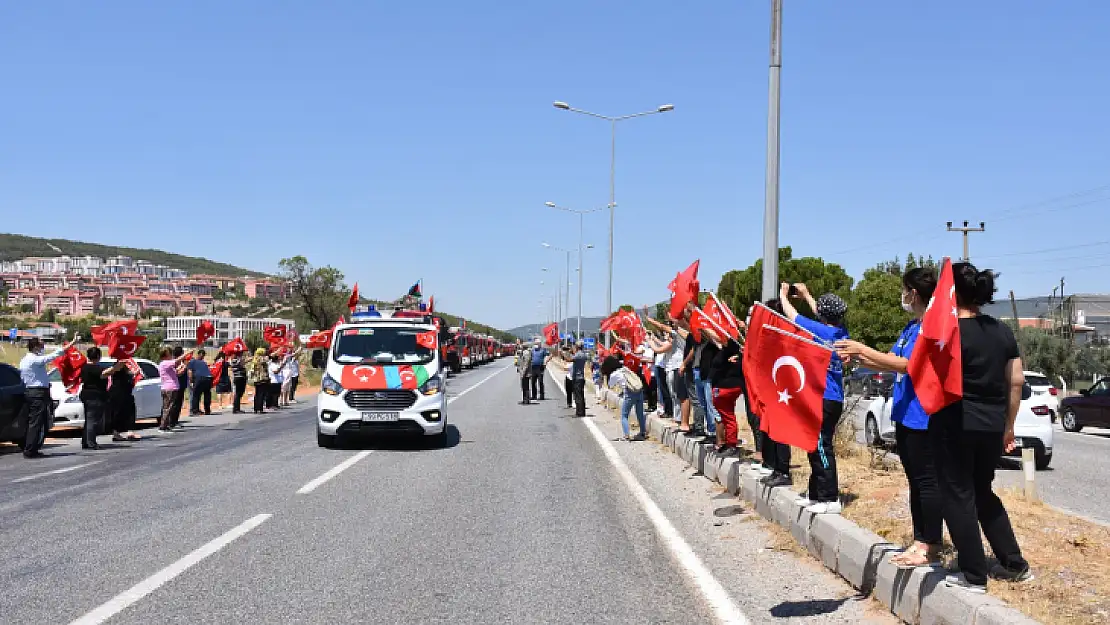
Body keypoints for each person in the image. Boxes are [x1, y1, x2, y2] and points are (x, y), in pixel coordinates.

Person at [927, 262, 1031, 593]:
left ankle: (973, 574)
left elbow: (917, 370)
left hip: (955, 423)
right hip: (991, 425)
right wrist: (1008, 426)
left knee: (957, 495)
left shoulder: (947, 332)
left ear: (951, 291)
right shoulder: (1001, 330)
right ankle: (1014, 563)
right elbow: (1016, 381)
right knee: (982, 492)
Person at [835, 267, 942, 568]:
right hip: (904, 414)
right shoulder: (910, 328)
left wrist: (860, 349)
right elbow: (891, 360)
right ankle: (919, 539)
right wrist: (855, 355)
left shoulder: (929, 328)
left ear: (915, 293)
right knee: (915, 481)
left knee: (926, 482)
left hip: (923, 415)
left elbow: (907, 365)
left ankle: (929, 544)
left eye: (904, 290)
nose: (902, 296)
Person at [780, 283, 849, 514]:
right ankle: (815, 494)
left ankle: (830, 498)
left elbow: (792, 315)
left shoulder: (822, 332)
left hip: (825, 398)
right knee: (814, 445)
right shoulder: (840, 333)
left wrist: (783, 294)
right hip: (833, 399)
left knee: (821, 446)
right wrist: (808, 296)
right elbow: (823, 315)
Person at [750, 298, 792, 486]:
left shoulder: (786, 334)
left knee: (781, 430)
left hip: (782, 391)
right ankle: (773, 466)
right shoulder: (769, 334)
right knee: (769, 429)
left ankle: (783, 470)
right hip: (770, 389)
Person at [19, 335, 78, 458]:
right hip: (37, 393)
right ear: (35, 347)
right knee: (36, 422)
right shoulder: (34, 360)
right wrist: (72, 342)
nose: (43, 346)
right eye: (41, 344)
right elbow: (55, 354)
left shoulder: (25, 359)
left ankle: (32, 447)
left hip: (32, 392)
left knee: (36, 421)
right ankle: (30, 450)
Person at [708, 328, 742, 455]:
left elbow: (717, 337)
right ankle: (728, 442)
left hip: (726, 387)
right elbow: (713, 338)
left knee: (727, 417)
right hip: (726, 387)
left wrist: (705, 325)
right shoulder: (726, 349)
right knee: (727, 416)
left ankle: (731, 444)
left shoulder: (731, 347)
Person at [80, 347, 119, 450]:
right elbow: (104, 374)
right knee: (93, 420)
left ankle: (86, 441)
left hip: (86, 395)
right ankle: (91, 443)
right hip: (95, 396)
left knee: (88, 420)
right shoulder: (95, 368)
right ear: (98, 356)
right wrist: (116, 367)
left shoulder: (84, 367)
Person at [604, 354, 647, 441]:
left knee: (624, 415)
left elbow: (610, 386)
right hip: (639, 390)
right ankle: (642, 433)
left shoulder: (613, 374)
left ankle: (626, 435)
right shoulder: (625, 369)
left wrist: (606, 377)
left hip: (629, 393)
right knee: (640, 414)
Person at [158, 347, 192, 432]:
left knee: (170, 407)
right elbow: (176, 361)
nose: (171, 356)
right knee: (168, 408)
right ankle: (163, 426)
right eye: (170, 354)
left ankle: (167, 424)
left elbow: (176, 373)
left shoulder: (167, 364)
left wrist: (182, 368)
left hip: (172, 387)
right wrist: (186, 354)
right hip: (169, 388)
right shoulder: (165, 363)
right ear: (165, 355)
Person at [107, 358, 141, 442]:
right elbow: (128, 380)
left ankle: (116, 433)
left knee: (118, 414)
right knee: (128, 413)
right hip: (122, 394)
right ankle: (128, 432)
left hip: (117, 393)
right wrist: (134, 374)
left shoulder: (116, 368)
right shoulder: (120, 369)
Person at [564, 340, 588, 416]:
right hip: (581, 377)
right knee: (581, 395)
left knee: (578, 396)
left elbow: (568, 360)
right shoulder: (583, 354)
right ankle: (582, 412)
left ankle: (579, 413)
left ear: (577, 346)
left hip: (577, 378)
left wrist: (564, 353)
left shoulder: (578, 354)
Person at [188, 349, 214, 416]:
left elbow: (190, 371)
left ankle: (195, 411)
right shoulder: (203, 362)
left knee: (196, 395)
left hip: (200, 378)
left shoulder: (192, 361)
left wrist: (191, 381)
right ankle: (207, 410)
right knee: (207, 394)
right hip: (209, 378)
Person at [248, 348, 270, 414]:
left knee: (257, 393)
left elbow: (252, 370)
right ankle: (260, 409)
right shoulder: (262, 359)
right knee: (261, 394)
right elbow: (267, 359)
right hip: (262, 378)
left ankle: (256, 409)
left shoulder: (254, 360)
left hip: (256, 379)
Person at [172, 346, 189, 427]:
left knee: (179, 404)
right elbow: (177, 373)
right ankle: (172, 421)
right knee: (175, 404)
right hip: (176, 385)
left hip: (182, 385)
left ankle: (176, 420)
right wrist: (184, 367)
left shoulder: (182, 361)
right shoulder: (175, 362)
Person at [229, 350, 248, 414]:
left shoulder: (237, 359)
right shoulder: (234, 360)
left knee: (239, 394)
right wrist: (246, 360)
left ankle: (237, 408)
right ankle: (236, 409)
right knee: (238, 393)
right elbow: (241, 363)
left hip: (241, 377)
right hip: (238, 378)